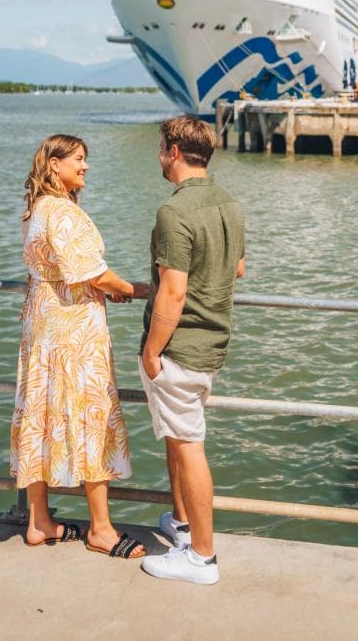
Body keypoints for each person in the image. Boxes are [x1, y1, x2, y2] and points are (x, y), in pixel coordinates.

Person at [10, 133, 148, 558]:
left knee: (40, 412)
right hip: (73, 328)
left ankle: (39, 521)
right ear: (55, 164)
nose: (85, 166)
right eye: (79, 159)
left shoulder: (35, 210)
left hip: (43, 323)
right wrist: (138, 290)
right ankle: (101, 530)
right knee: (89, 413)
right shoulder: (64, 213)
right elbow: (94, 274)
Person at [139, 115, 245, 585]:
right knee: (180, 441)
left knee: (189, 445)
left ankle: (202, 557)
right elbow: (236, 269)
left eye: (161, 147)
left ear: (174, 152)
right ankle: (182, 524)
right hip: (213, 342)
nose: (160, 155)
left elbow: (173, 291)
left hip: (180, 346)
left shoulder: (174, 211)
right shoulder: (229, 202)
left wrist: (152, 350)